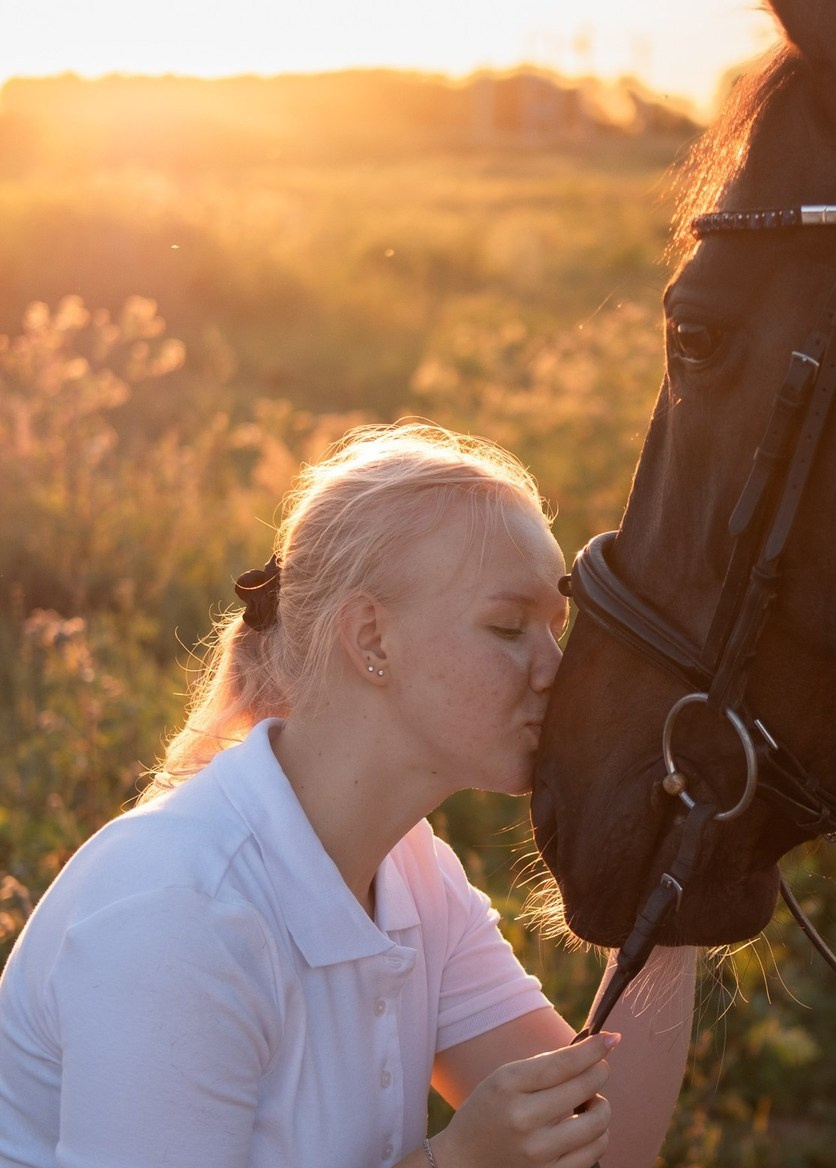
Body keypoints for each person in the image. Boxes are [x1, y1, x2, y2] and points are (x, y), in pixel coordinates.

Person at [0, 421, 695, 1168]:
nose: (555, 670)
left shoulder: (415, 878)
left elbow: (606, 1145)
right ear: (370, 638)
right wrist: (459, 1163)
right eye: (507, 626)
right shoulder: (181, 914)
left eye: (556, 629)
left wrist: (681, 867)